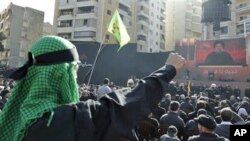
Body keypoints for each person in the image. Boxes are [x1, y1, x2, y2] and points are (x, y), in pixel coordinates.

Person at [0, 35, 185, 141]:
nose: (74, 77)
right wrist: (168, 70)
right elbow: (121, 107)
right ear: (58, 74)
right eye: (74, 70)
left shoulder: (12, 118)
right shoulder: (63, 119)